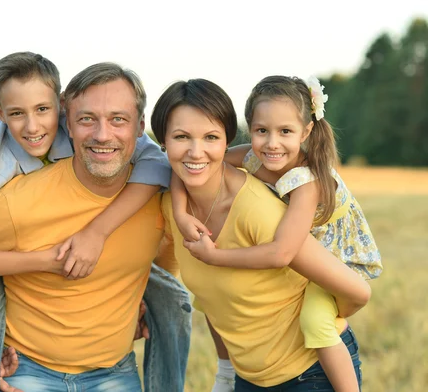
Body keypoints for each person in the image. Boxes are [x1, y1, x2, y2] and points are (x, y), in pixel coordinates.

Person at [0, 62, 191, 391]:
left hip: (115, 372)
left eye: (118, 119)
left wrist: (135, 292)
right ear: (70, 118)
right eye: (87, 119)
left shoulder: (155, 187)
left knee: (175, 301)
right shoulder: (3, 184)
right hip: (28, 370)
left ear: (139, 127)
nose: (102, 133)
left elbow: (167, 239)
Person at [151, 78, 372, 391]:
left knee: (317, 324)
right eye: (181, 137)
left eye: (210, 137)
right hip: (251, 378)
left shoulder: (298, 187)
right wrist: (180, 213)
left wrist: (215, 257)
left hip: (309, 370)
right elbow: (184, 169)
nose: (196, 150)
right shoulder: (246, 159)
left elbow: (285, 253)